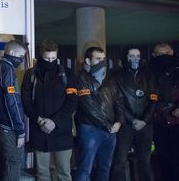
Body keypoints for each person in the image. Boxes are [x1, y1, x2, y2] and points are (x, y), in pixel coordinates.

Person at [21, 40, 77, 181]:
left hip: (62, 130)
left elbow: (72, 102)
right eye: (47, 58)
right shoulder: (31, 75)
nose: (50, 61)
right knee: (42, 173)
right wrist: (39, 120)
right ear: (41, 56)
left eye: (53, 58)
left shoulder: (67, 74)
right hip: (39, 130)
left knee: (64, 172)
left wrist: (54, 121)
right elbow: (26, 102)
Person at [74, 47, 125, 181]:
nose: (102, 62)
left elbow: (118, 100)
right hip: (90, 130)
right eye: (98, 59)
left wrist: (119, 121)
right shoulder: (81, 78)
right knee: (85, 169)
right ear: (88, 60)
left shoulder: (109, 79)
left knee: (105, 168)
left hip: (111, 131)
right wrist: (106, 124)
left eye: (103, 59)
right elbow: (88, 106)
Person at [110, 47, 157, 181]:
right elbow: (116, 102)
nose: (135, 59)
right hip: (125, 125)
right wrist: (132, 120)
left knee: (145, 162)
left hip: (146, 126)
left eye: (137, 56)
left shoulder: (149, 76)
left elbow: (153, 99)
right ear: (126, 58)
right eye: (131, 56)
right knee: (119, 161)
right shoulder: (116, 77)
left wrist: (144, 121)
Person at [0, 39, 27, 181]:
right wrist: (20, 130)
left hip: (2, 123)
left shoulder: (1, 67)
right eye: (21, 56)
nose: (21, 60)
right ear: (12, 53)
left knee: (5, 164)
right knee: (13, 162)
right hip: (9, 126)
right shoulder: (7, 70)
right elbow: (11, 101)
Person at [150, 43, 179, 181]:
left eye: (167, 54)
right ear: (154, 55)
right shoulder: (149, 71)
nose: (163, 58)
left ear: (172, 52)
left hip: (177, 120)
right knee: (163, 158)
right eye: (159, 55)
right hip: (158, 121)